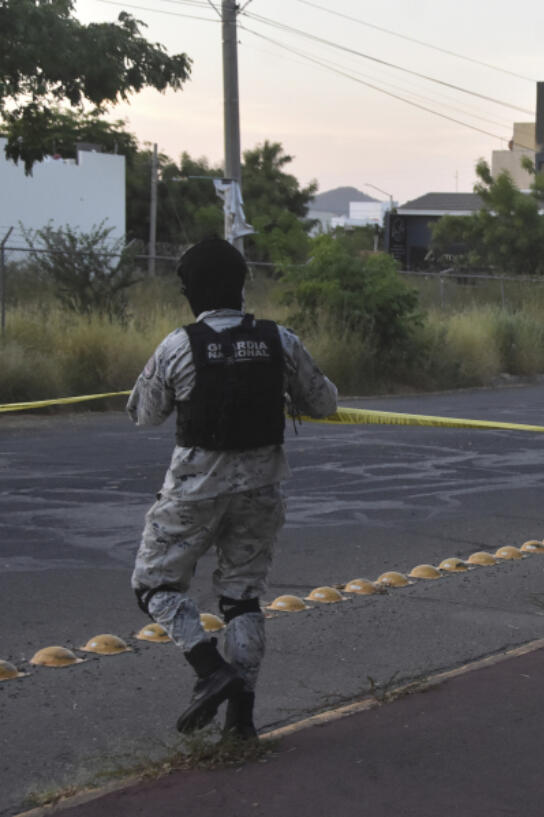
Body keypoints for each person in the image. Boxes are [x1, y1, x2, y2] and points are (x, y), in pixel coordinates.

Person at [128, 237, 338, 740]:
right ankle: (241, 723)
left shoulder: (178, 345)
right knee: (242, 600)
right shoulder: (280, 341)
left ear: (190, 292)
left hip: (193, 492)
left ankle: (209, 670)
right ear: (242, 287)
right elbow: (324, 403)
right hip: (262, 489)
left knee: (154, 586)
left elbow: (144, 414)